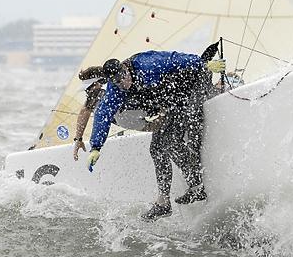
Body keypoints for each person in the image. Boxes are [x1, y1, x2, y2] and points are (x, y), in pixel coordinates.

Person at [88, 50, 225, 220]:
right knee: (157, 149)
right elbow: (103, 114)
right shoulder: (115, 90)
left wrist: (202, 64)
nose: (124, 82)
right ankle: (163, 203)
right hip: (173, 101)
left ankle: (196, 186)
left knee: (171, 141)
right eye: (117, 81)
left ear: (125, 67)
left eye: (123, 75)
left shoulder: (145, 63)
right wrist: (96, 146)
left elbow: (175, 59)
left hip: (191, 86)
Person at [72, 66, 107, 161]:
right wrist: (78, 139)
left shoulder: (100, 93)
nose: (87, 92)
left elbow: (85, 111)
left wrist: (79, 139)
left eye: (88, 89)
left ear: (98, 83)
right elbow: (84, 110)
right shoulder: (99, 95)